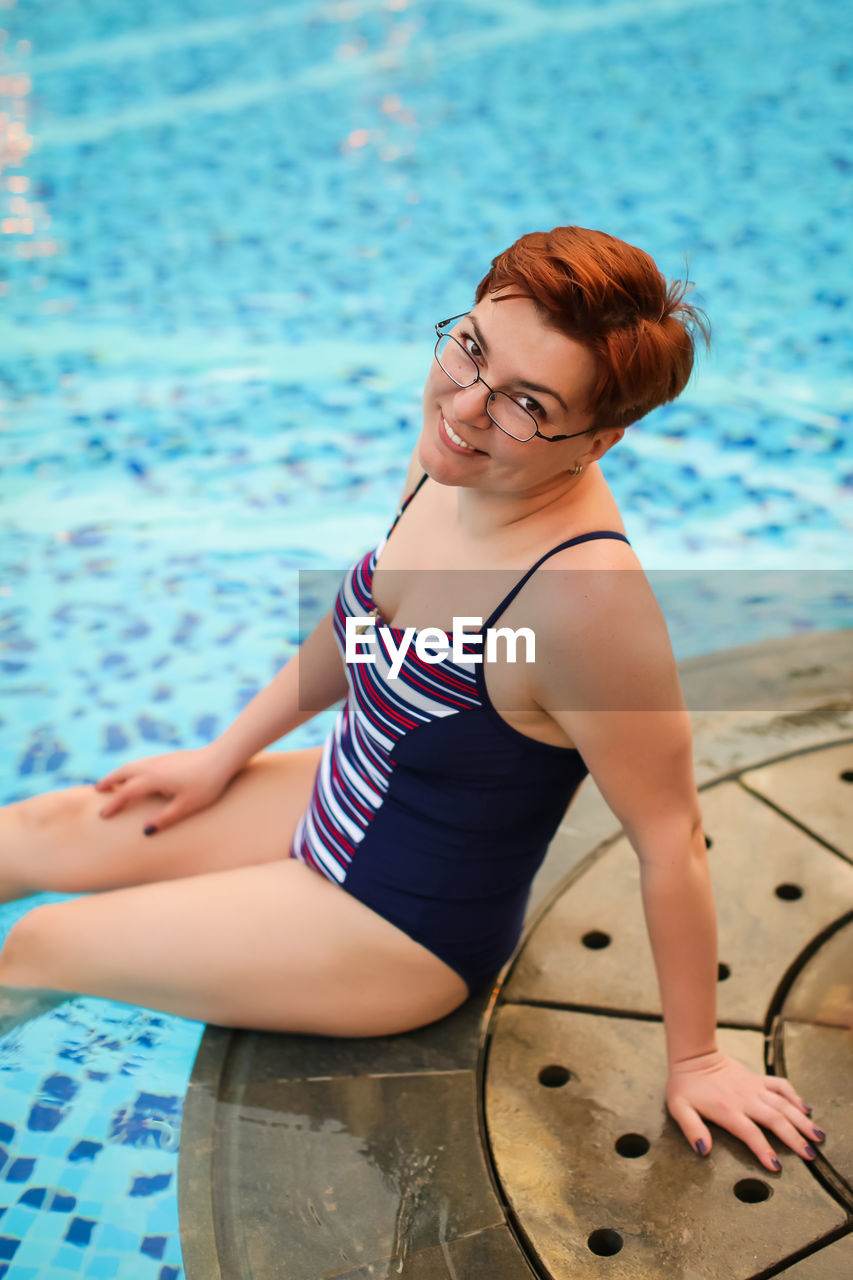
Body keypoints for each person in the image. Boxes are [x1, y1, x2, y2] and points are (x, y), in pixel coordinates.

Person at [0, 226, 824, 1175]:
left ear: (599, 440)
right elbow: (366, 620)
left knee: (45, 939)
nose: (466, 407)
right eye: (471, 348)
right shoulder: (456, 452)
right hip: (338, 795)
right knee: (44, 832)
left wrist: (698, 1057)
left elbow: (669, 835)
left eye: (526, 404)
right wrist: (221, 757)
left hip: (399, 924)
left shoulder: (584, 604)